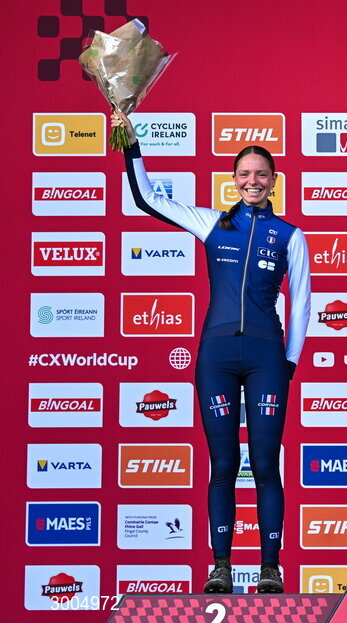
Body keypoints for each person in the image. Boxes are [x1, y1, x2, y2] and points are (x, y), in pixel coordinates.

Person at [112, 111, 311, 594]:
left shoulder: (289, 234)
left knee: (266, 463)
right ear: (234, 180)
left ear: (274, 181)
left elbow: (303, 302)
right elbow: (145, 199)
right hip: (216, 358)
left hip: (266, 356)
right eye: (245, 174)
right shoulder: (209, 222)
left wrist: (288, 362)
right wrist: (130, 142)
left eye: (262, 174)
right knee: (222, 464)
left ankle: (270, 567)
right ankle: (219, 565)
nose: (253, 181)